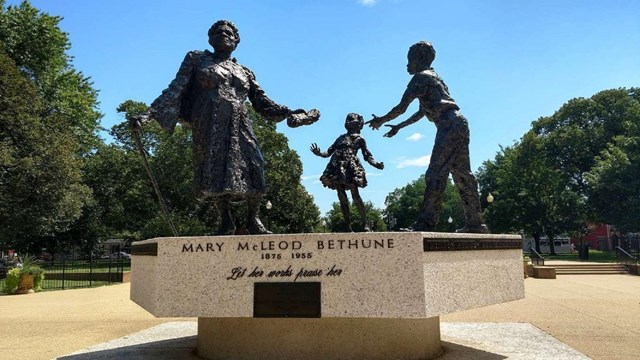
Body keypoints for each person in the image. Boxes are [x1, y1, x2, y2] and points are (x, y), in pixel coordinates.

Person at [131, 20, 318, 235]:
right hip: (210, 119)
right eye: (217, 32)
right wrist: (149, 114)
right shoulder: (197, 59)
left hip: (240, 120)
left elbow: (262, 103)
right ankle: (225, 220)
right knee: (215, 168)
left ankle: (253, 218)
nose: (223, 35)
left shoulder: (244, 71)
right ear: (210, 39)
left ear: (236, 41)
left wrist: (289, 112)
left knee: (255, 163)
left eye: (228, 33)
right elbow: (176, 88)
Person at [367, 41, 488, 233]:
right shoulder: (434, 78)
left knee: (435, 174)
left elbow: (401, 107)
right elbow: (422, 112)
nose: (407, 65)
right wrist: (399, 126)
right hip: (458, 123)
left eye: (410, 60)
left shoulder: (420, 78)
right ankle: (476, 223)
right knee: (463, 175)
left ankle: (426, 222)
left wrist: (380, 120)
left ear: (420, 59)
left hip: (449, 125)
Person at [311, 113, 384, 232]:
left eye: (353, 122)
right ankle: (347, 225)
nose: (350, 124)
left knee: (355, 195)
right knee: (342, 197)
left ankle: (365, 223)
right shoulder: (340, 138)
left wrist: (375, 164)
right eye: (348, 121)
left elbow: (367, 155)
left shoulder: (360, 139)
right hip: (337, 167)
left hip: (351, 168)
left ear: (358, 125)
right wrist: (319, 153)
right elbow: (328, 152)